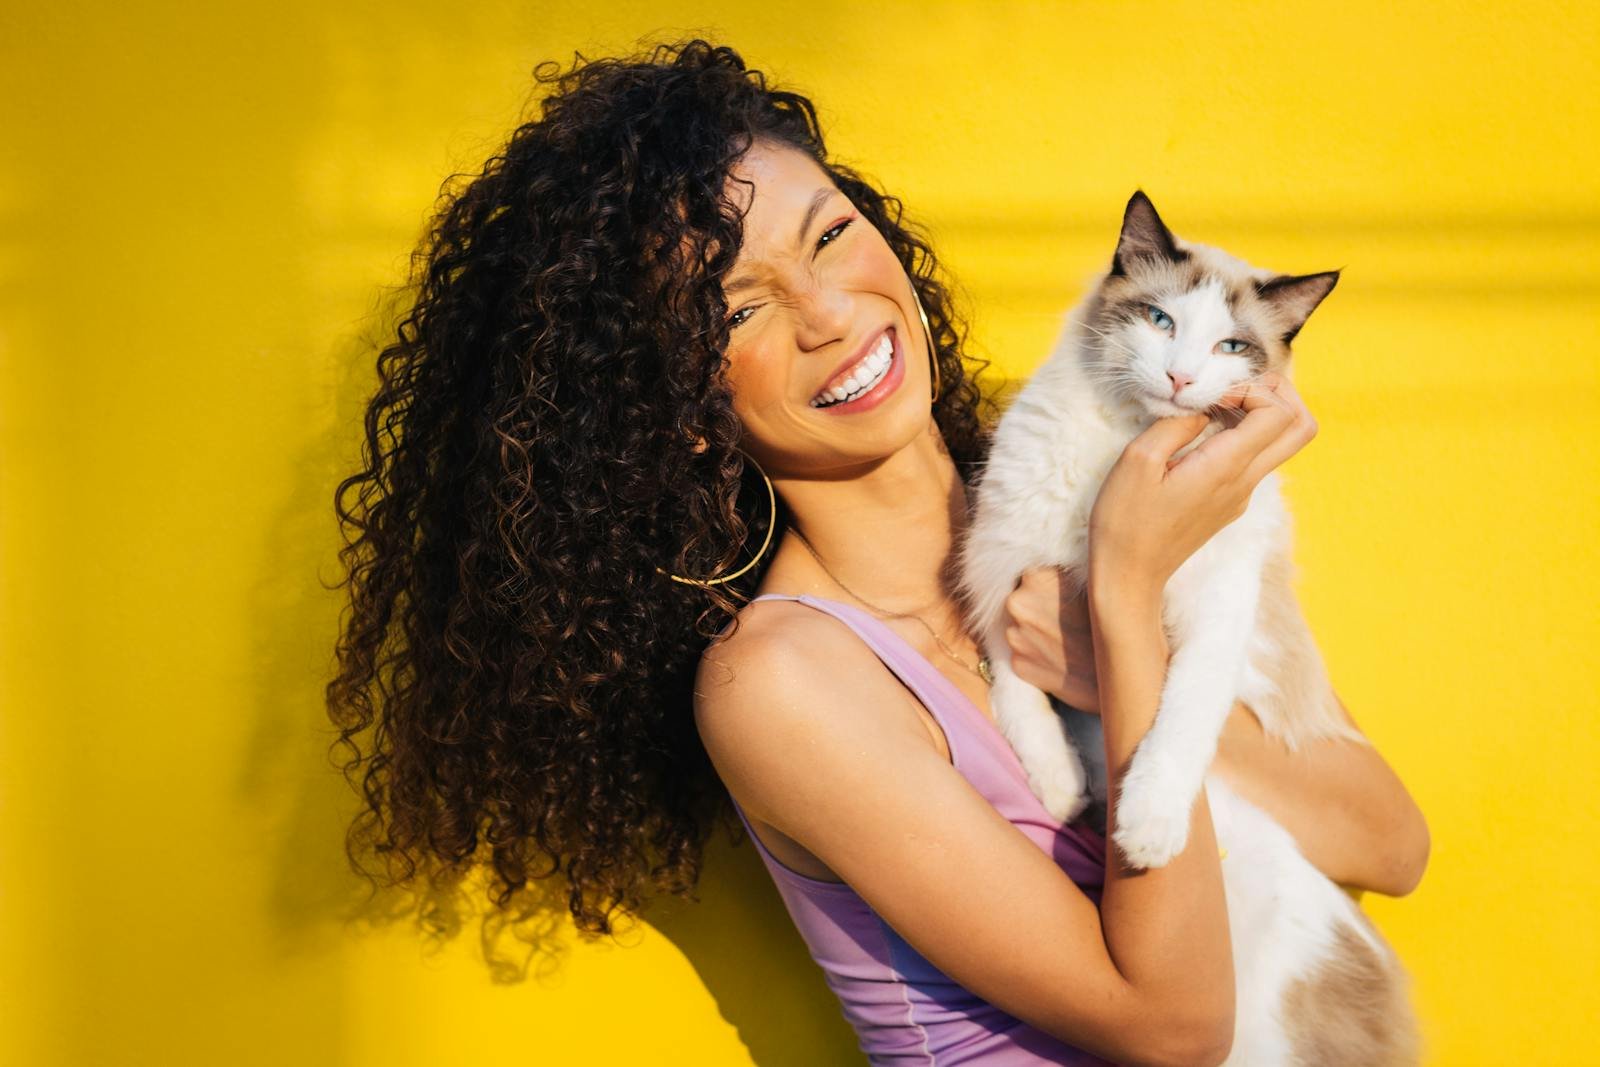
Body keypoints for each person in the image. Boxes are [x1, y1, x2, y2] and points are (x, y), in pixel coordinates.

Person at [326, 38, 1429, 1066]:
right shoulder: (783, 681)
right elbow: (1174, 1024)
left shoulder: (1088, 486)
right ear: (680, 406)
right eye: (735, 310)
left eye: (830, 233)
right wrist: (1127, 602)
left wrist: (1098, 671)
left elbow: (1388, 840)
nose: (829, 313)